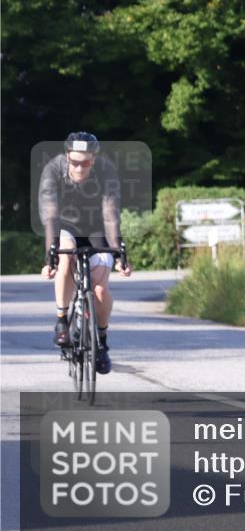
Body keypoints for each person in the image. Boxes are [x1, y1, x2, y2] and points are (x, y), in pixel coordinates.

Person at [38, 132, 131, 374]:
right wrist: (50, 256)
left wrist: (120, 253)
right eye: (75, 162)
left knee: (100, 289)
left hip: (96, 228)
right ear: (67, 157)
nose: (80, 167)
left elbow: (111, 214)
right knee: (66, 258)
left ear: (94, 159)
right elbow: (50, 215)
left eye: (86, 162)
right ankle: (61, 320)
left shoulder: (105, 171)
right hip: (65, 226)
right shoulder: (53, 170)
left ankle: (101, 343)